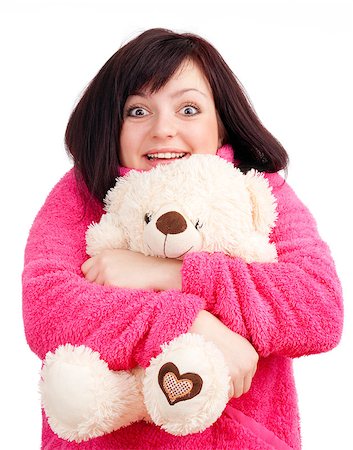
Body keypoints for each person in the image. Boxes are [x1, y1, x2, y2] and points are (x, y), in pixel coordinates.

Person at [22, 28, 343, 449]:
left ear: (222, 123)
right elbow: (48, 310)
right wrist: (193, 323)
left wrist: (169, 273)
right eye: (138, 111)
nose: (163, 130)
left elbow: (318, 308)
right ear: (111, 125)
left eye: (188, 109)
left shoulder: (257, 191)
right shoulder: (82, 194)